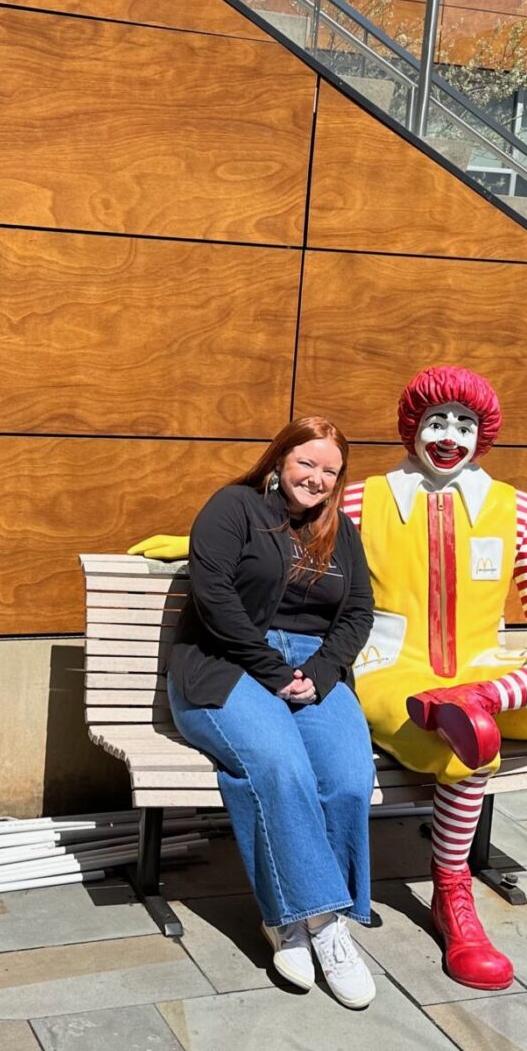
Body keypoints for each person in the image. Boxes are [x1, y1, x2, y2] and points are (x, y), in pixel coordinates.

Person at [133, 367, 527, 993]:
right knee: (452, 750)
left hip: (476, 674)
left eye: (465, 423)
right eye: (436, 420)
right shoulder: (362, 500)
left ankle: (480, 702)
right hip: (396, 675)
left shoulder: (518, 507)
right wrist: (201, 541)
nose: (450, 435)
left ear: (486, 434)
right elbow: (277, 522)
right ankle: (443, 897)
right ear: (412, 427)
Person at [165, 416, 380, 1009]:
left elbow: (359, 612)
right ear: (280, 458)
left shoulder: (343, 531)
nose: (316, 478)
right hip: (227, 662)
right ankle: (317, 924)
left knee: (346, 776)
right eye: (306, 462)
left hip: (314, 669)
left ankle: (301, 914)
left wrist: (326, 671)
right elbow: (213, 598)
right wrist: (274, 671)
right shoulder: (232, 508)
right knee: (279, 765)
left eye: (330, 471)